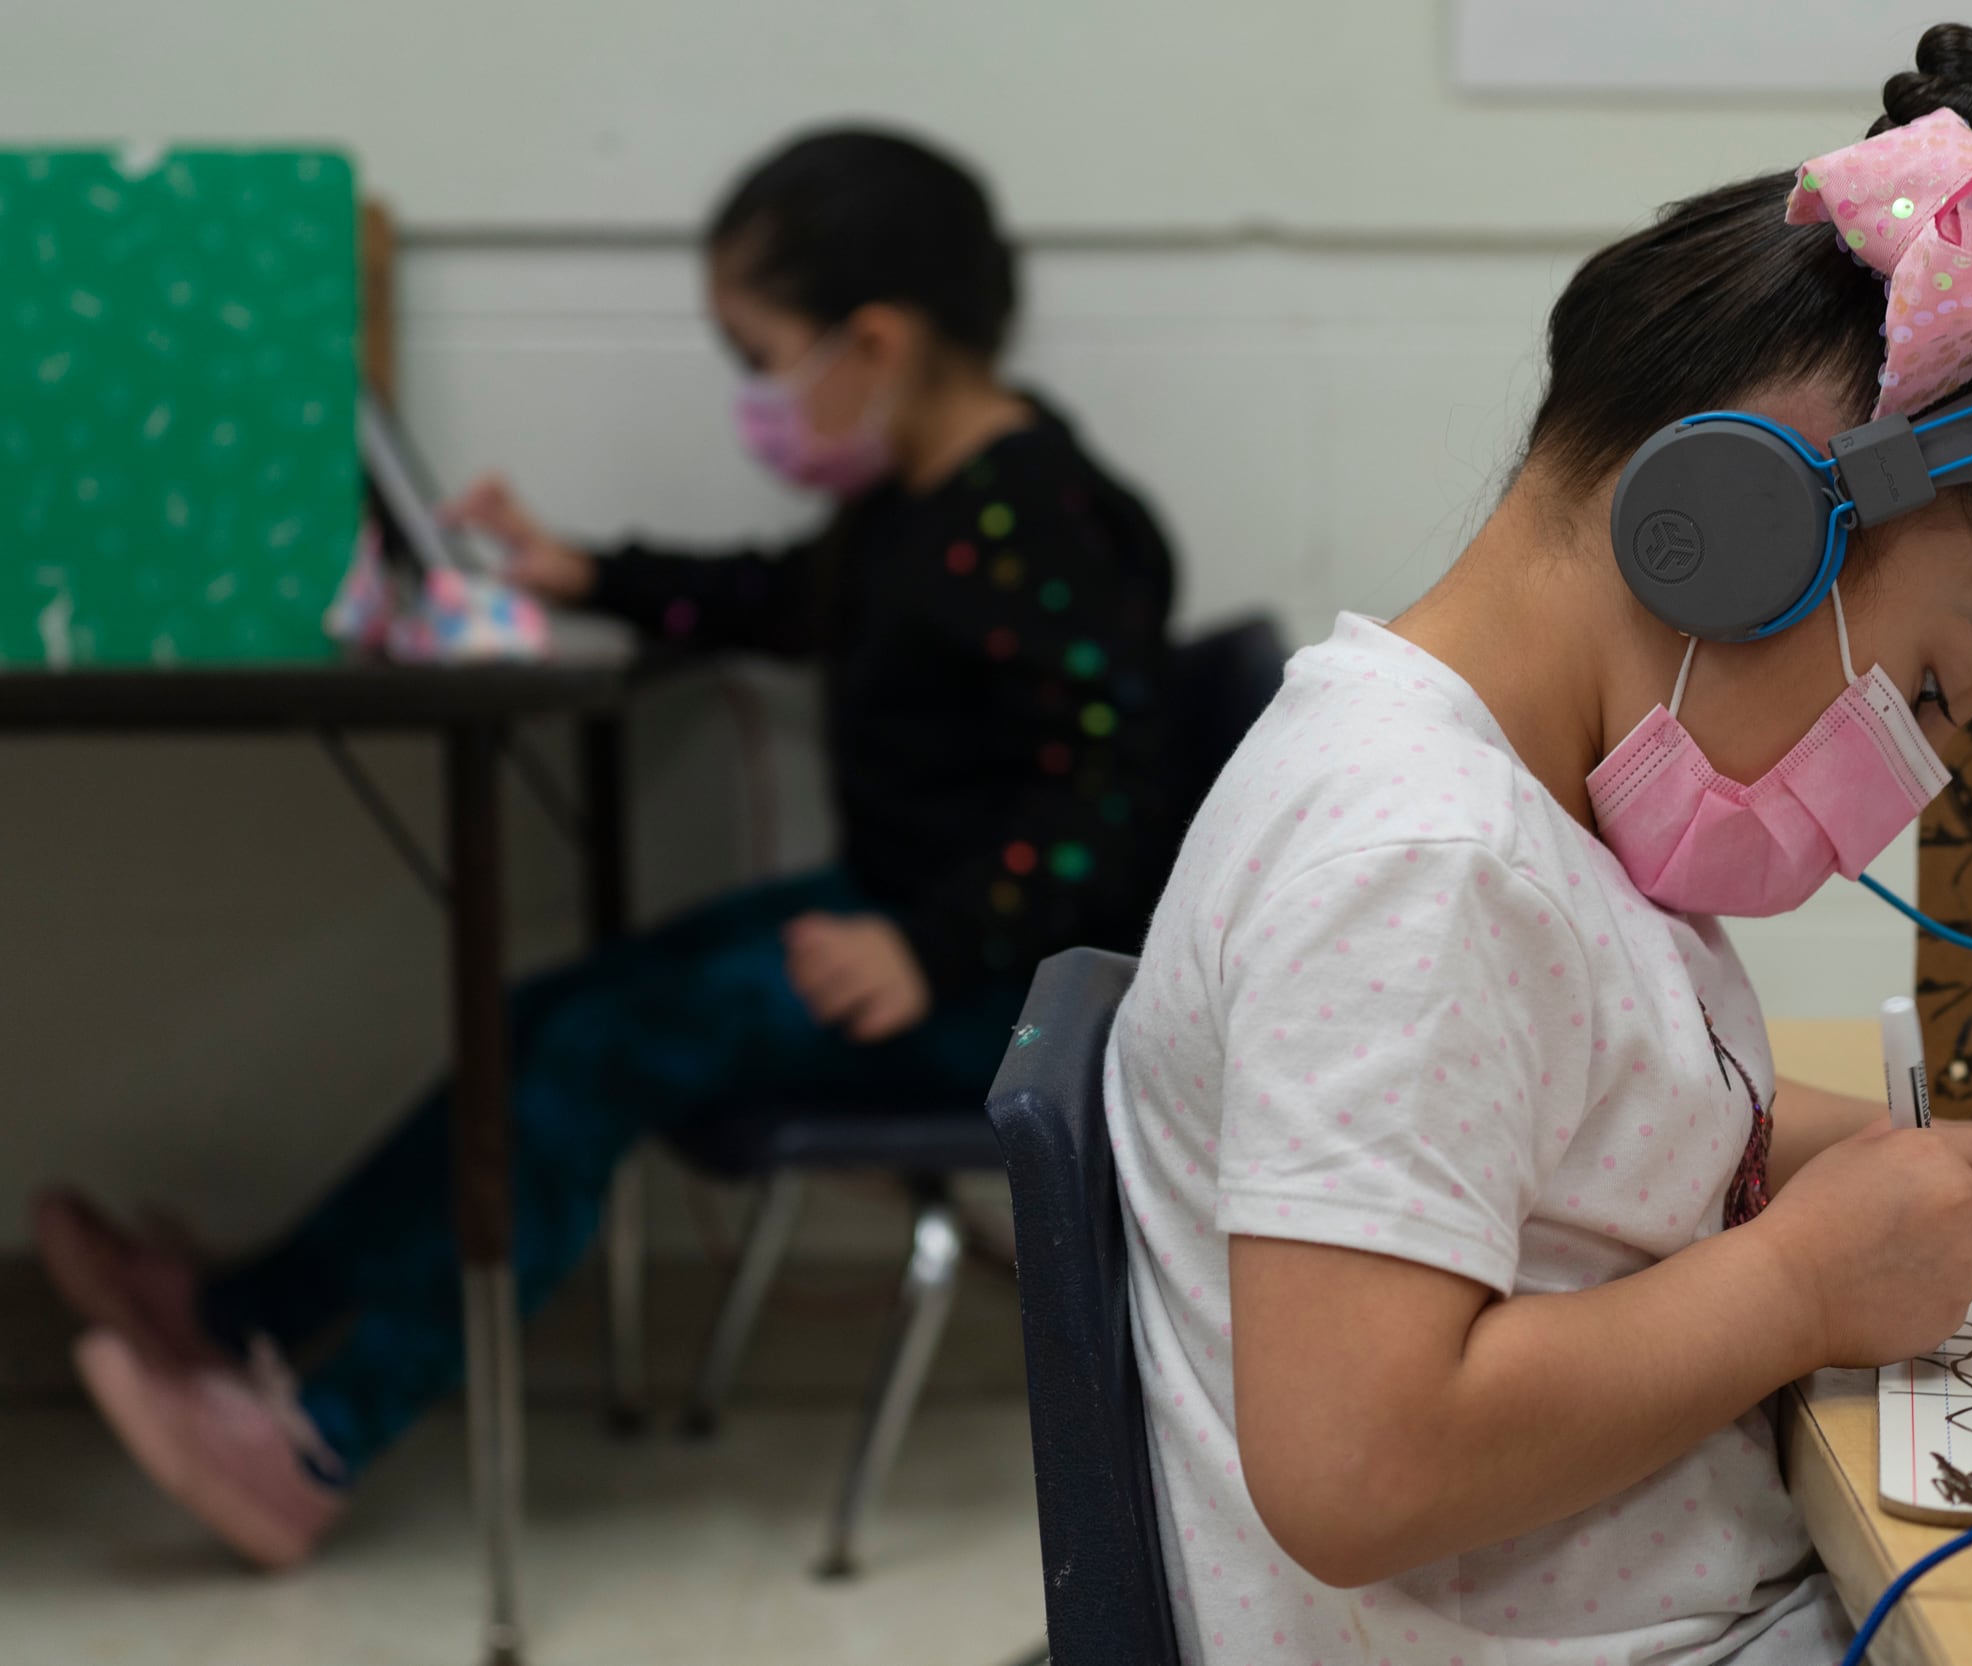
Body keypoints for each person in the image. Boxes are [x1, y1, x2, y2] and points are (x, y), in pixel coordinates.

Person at [1107, 26, 1972, 1664]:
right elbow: (1353, 1460)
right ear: (1736, 527)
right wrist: (1796, 1284)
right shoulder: (1420, 859)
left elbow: (1585, 1131)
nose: (1918, 771)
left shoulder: (1522, 816)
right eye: (1937, 688)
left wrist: (1930, 1159)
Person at [36, 127, 1182, 1569]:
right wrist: (589, 568)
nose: (754, 396)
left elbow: (1113, 804)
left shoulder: (1050, 526)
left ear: (873, 340)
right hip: (911, 924)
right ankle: (247, 1313)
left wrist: (925, 945)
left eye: (757, 353)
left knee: (594, 1058)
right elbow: (781, 596)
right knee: (543, 1009)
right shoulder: (919, 504)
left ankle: (319, 1435)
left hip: (986, 989)